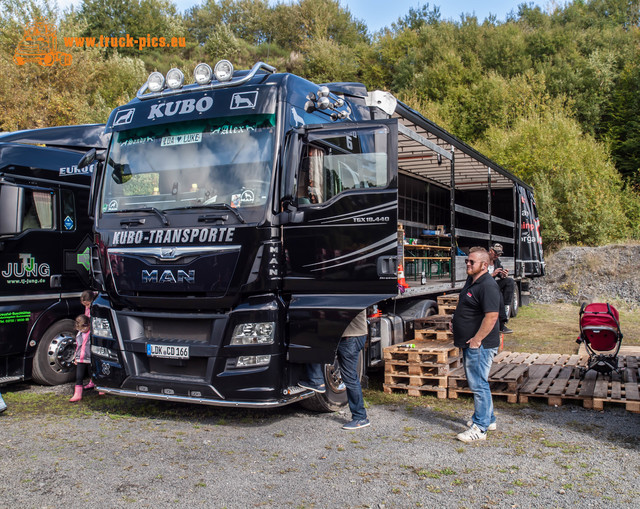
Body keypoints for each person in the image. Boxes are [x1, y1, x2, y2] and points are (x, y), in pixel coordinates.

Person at [452, 247, 501, 442]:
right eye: (467, 261)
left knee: (478, 384)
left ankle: (480, 428)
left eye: (471, 262)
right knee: (480, 382)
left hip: (479, 345)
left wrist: (477, 339)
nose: (468, 264)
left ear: (485, 265)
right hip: (471, 342)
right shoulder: (472, 281)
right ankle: (488, 419)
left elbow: (492, 316)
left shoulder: (487, 285)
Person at [298, 310, 370, 430]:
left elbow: (337, 312)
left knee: (350, 377)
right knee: (313, 343)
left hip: (349, 337)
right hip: (349, 335)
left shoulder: (348, 293)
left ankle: (360, 417)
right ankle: (316, 381)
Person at [488, 243, 515, 334]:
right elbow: (479, 276)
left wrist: (503, 275)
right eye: (496, 254)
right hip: (483, 285)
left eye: (499, 254)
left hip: (492, 284)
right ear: (491, 251)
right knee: (498, 293)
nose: (497, 256)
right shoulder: (484, 260)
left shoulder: (497, 261)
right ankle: (501, 325)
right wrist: (492, 274)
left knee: (510, 281)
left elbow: (500, 273)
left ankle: (506, 305)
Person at [69, 314, 91, 403]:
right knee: (79, 376)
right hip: (80, 358)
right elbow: (78, 345)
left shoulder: (91, 334)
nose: (82, 331)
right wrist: (75, 356)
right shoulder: (79, 334)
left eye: (83, 328)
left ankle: (98, 387)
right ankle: (77, 394)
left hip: (89, 357)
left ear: (88, 325)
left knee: (92, 373)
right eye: (80, 329)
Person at [80, 290, 97, 390]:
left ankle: (96, 380)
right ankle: (92, 380)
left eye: (87, 304)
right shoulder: (88, 308)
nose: (86, 307)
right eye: (84, 305)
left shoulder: (96, 307)